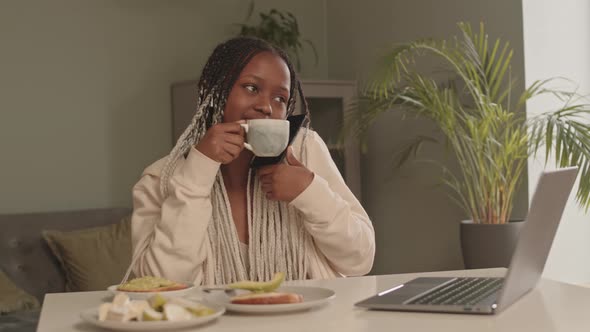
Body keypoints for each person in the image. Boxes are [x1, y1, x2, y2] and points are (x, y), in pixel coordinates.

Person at [128, 36, 375, 286]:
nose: (267, 107)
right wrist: (198, 169)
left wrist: (309, 191)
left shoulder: (304, 151)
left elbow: (359, 260)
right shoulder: (160, 179)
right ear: (215, 93)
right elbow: (161, 285)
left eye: (280, 98)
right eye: (251, 88)